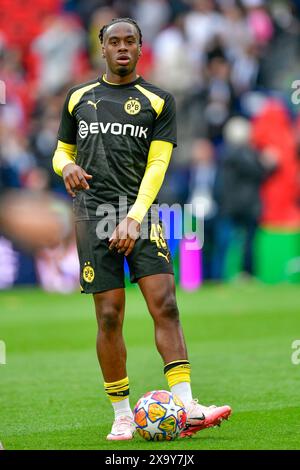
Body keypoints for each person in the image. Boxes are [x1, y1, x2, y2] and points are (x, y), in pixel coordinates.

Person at [52, 17, 231, 441]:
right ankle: (122, 415)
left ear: (140, 47)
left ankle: (186, 406)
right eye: (114, 41)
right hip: (93, 215)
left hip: (141, 212)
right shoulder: (78, 97)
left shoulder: (159, 100)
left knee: (165, 304)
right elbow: (61, 152)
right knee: (109, 316)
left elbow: (158, 164)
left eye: (130, 41)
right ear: (102, 48)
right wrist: (68, 166)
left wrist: (133, 216)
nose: (122, 48)